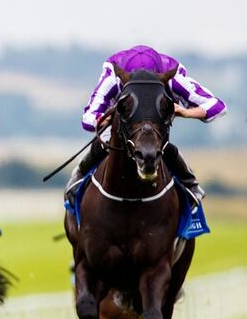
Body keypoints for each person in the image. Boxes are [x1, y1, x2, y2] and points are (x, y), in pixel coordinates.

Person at [66, 45, 226, 205]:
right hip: (123, 129)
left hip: (157, 130)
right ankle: (78, 177)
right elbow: (88, 120)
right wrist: (110, 116)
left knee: (162, 146)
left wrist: (185, 112)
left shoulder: (173, 79)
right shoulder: (113, 79)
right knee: (104, 140)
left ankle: (191, 185)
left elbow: (217, 106)